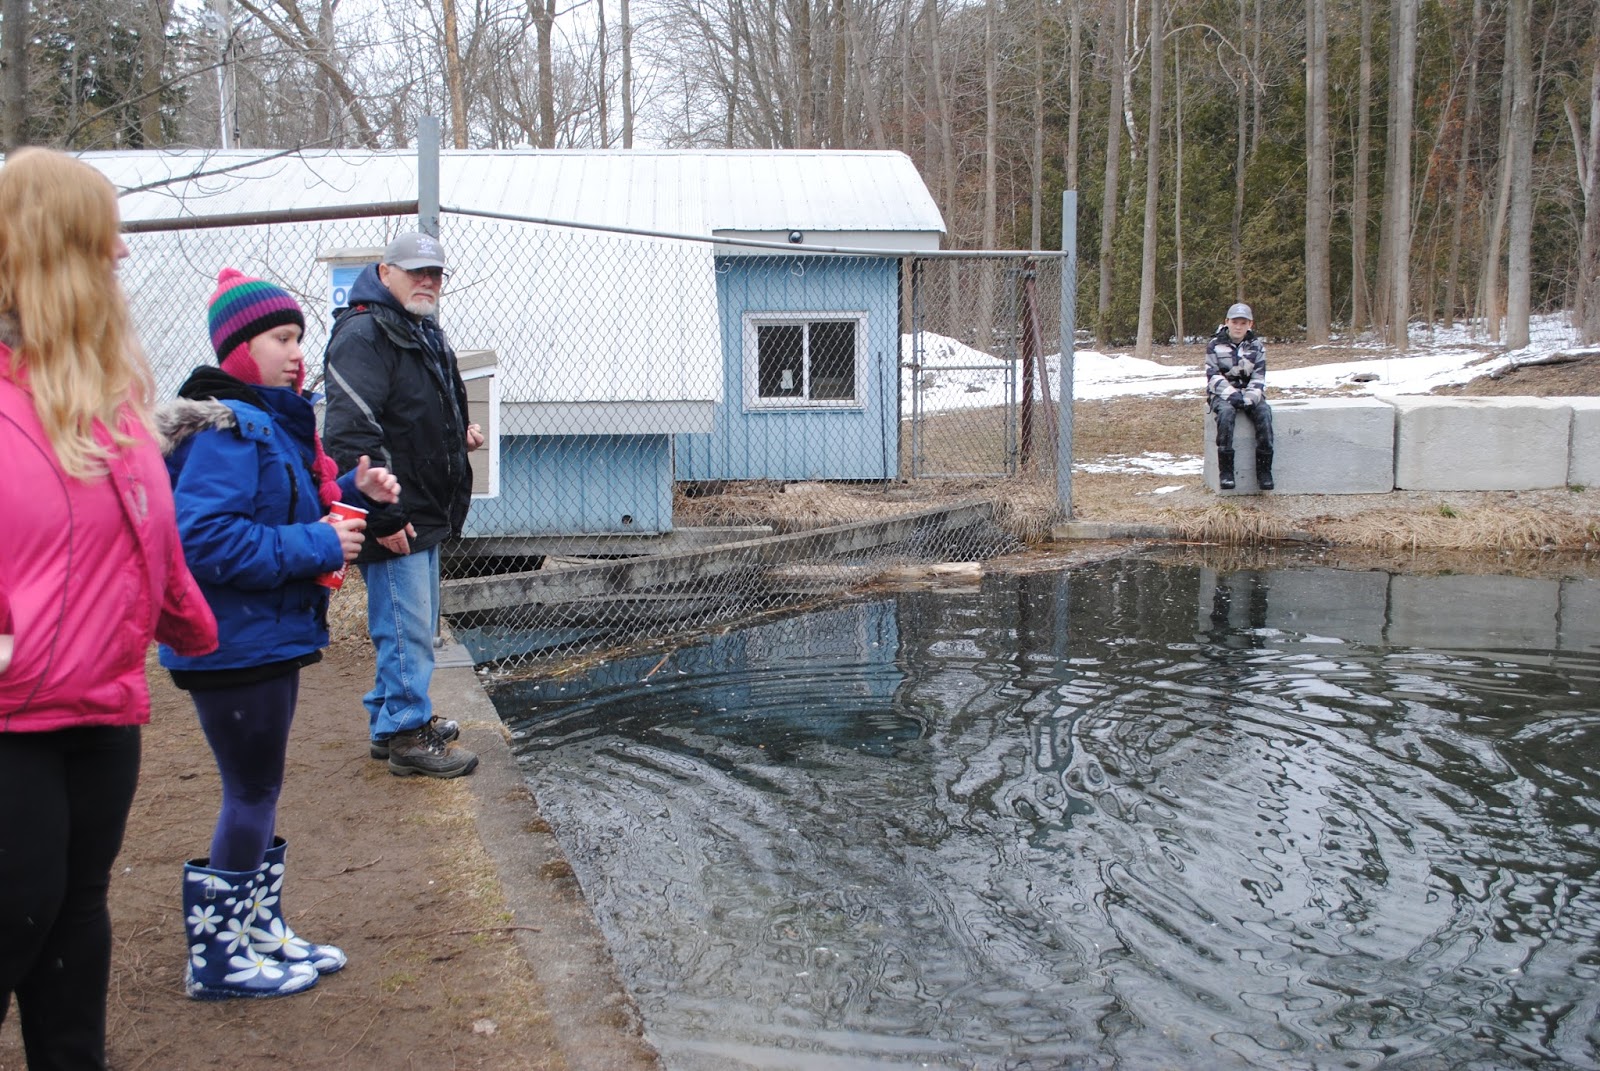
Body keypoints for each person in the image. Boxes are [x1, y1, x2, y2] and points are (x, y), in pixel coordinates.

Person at [0, 148, 218, 1068]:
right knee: (18, 914)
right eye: (104, 239)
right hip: (11, 720)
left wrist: (189, 621)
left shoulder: (112, 402)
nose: (121, 259)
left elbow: (146, 530)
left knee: (75, 922)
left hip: (103, 709)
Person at [156, 269, 403, 999]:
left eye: (299, 337)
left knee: (260, 788)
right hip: (234, 643)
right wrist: (324, 545)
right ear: (237, 349)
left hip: (266, 636)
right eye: (280, 338)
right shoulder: (229, 429)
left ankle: (256, 928)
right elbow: (204, 540)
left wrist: (354, 493)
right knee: (252, 791)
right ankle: (220, 958)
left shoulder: (269, 421)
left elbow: (286, 504)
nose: (297, 353)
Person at [323, 232, 484, 778]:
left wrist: (457, 434)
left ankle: (391, 718)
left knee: (415, 623)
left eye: (435, 273)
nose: (427, 281)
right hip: (396, 513)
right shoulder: (365, 334)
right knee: (405, 626)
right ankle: (406, 735)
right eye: (416, 271)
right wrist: (386, 516)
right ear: (385, 270)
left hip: (425, 509)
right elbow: (351, 435)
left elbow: (409, 413)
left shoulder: (418, 328)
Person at [1205, 301, 1275, 491]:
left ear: (1250, 325)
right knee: (1226, 416)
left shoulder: (1257, 347)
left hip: (1250, 393)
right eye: (1235, 322)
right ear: (1227, 322)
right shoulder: (1214, 345)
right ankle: (1226, 472)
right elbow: (1213, 376)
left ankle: (1264, 473)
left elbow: (1259, 376)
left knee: (1264, 415)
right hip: (1223, 394)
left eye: (1243, 323)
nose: (1238, 326)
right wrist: (1232, 395)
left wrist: (1250, 398)